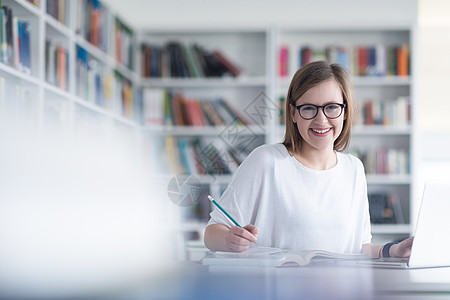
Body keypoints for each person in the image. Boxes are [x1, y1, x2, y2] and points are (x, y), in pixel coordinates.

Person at [204, 60, 413, 259]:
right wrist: (228, 239)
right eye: (308, 108)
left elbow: (358, 247)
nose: (321, 119)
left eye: (331, 107)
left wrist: (392, 251)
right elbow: (212, 233)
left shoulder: (354, 168)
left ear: (345, 112)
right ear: (293, 113)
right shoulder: (267, 161)